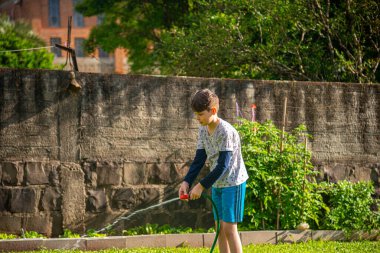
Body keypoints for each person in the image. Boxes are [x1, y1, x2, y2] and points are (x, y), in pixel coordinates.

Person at [178, 89, 249, 253]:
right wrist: (187, 182)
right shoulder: (203, 129)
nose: (197, 118)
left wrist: (201, 186)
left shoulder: (225, 131)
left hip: (233, 182)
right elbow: (199, 159)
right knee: (219, 229)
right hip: (217, 183)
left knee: (229, 229)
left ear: (213, 111)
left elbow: (223, 165)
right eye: (196, 114)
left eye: (201, 114)